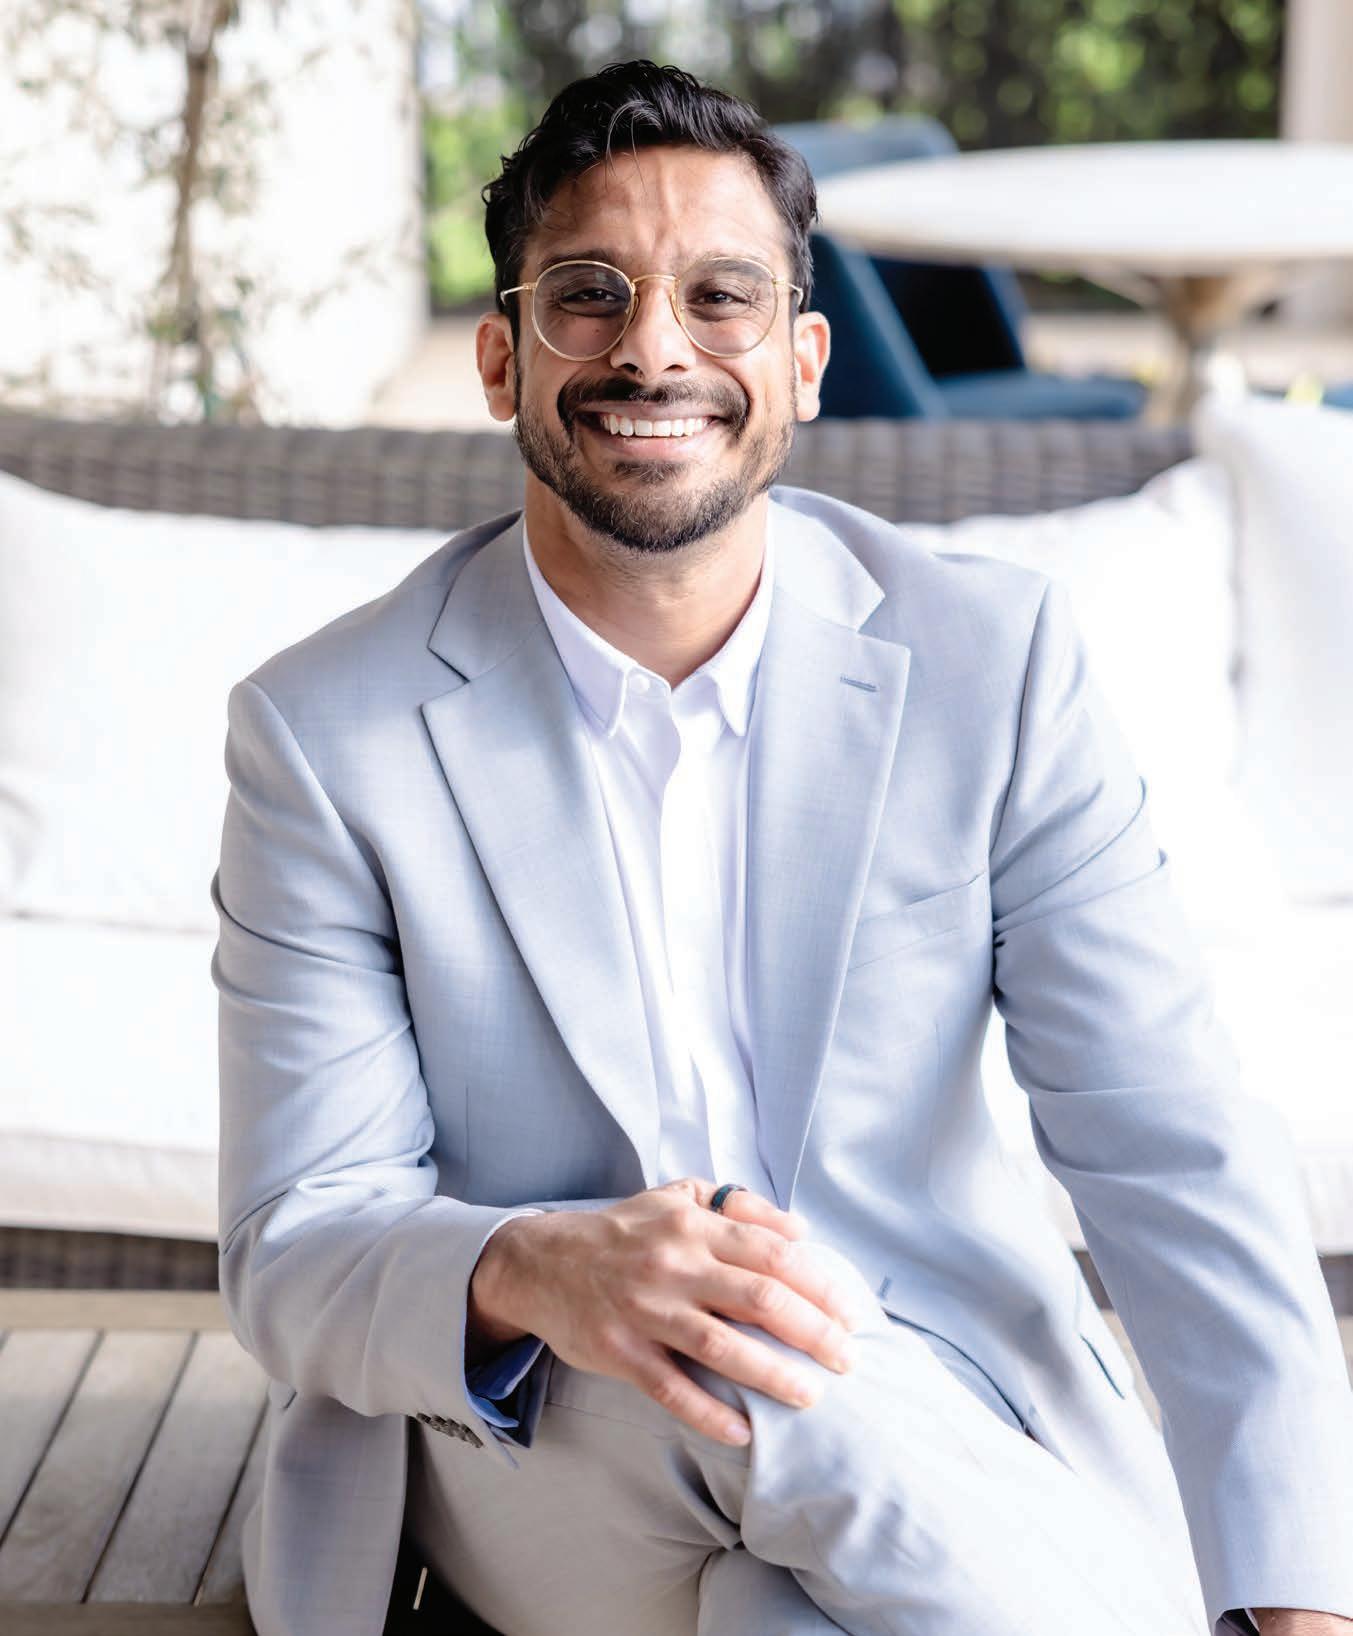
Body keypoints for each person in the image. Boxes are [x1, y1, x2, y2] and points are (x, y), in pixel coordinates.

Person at [212, 60, 1353, 1636]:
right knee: (737, 1361)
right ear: (501, 358)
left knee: (779, 1612)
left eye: (719, 297)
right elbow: (297, 1245)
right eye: (588, 296)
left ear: (803, 363)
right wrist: (541, 1267)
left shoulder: (989, 667)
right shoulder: (326, 736)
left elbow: (1167, 1142)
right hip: (542, 1435)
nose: (654, 348)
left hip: (941, 1400)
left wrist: (1300, 1602)